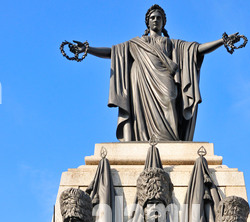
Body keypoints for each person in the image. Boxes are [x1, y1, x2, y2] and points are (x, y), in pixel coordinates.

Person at [71, 4, 241, 142]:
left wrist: (222, 41)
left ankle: (169, 141)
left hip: (164, 78)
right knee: (140, 114)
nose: (155, 20)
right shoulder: (136, 43)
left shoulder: (171, 43)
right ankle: (144, 141)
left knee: (169, 101)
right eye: (152, 18)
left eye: (159, 18)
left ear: (163, 22)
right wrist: (88, 49)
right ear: (147, 22)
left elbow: (196, 50)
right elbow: (113, 52)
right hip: (140, 81)